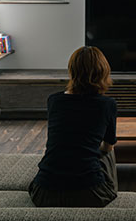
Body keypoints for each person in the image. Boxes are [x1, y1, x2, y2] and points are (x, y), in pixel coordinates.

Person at [30, 45, 118, 207]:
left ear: (72, 71)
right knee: (109, 151)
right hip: (91, 194)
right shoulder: (107, 104)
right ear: (103, 72)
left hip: (43, 194)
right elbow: (108, 147)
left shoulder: (54, 100)